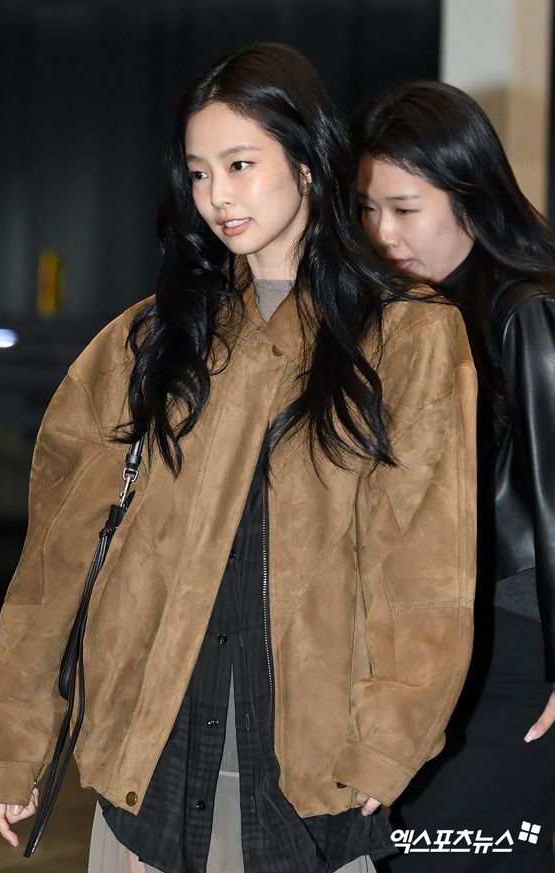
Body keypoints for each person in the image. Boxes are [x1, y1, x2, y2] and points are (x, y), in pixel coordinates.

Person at [0, 46, 477, 873]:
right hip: (147, 760)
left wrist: (392, 737)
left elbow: (425, 568)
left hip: (307, 772)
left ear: (309, 162)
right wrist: (16, 738)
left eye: (241, 164)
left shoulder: (407, 336)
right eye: (200, 172)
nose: (217, 196)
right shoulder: (150, 341)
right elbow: (55, 559)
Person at [352, 79, 555, 872]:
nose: (383, 233)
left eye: (405, 209)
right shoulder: (416, 317)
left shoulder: (524, 310)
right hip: (442, 642)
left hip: (518, 650)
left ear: (469, 195)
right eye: (368, 210)